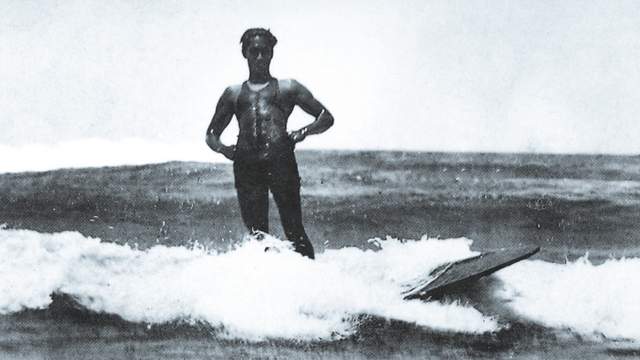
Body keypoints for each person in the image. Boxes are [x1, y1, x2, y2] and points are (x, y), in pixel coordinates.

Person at [205, 28, 334, 259]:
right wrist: (225, 150)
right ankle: (267, 286)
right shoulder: (233, 94)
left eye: (265, 52)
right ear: (245, 53)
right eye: (254, 52)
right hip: (246, 167)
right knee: (257, 235)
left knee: (294, 230)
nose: (260, 57)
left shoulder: (288, 88)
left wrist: (302, 132)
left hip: (281, 163)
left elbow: (326, 117)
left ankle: (313, 282)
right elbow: (211, 134)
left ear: (272, 53)